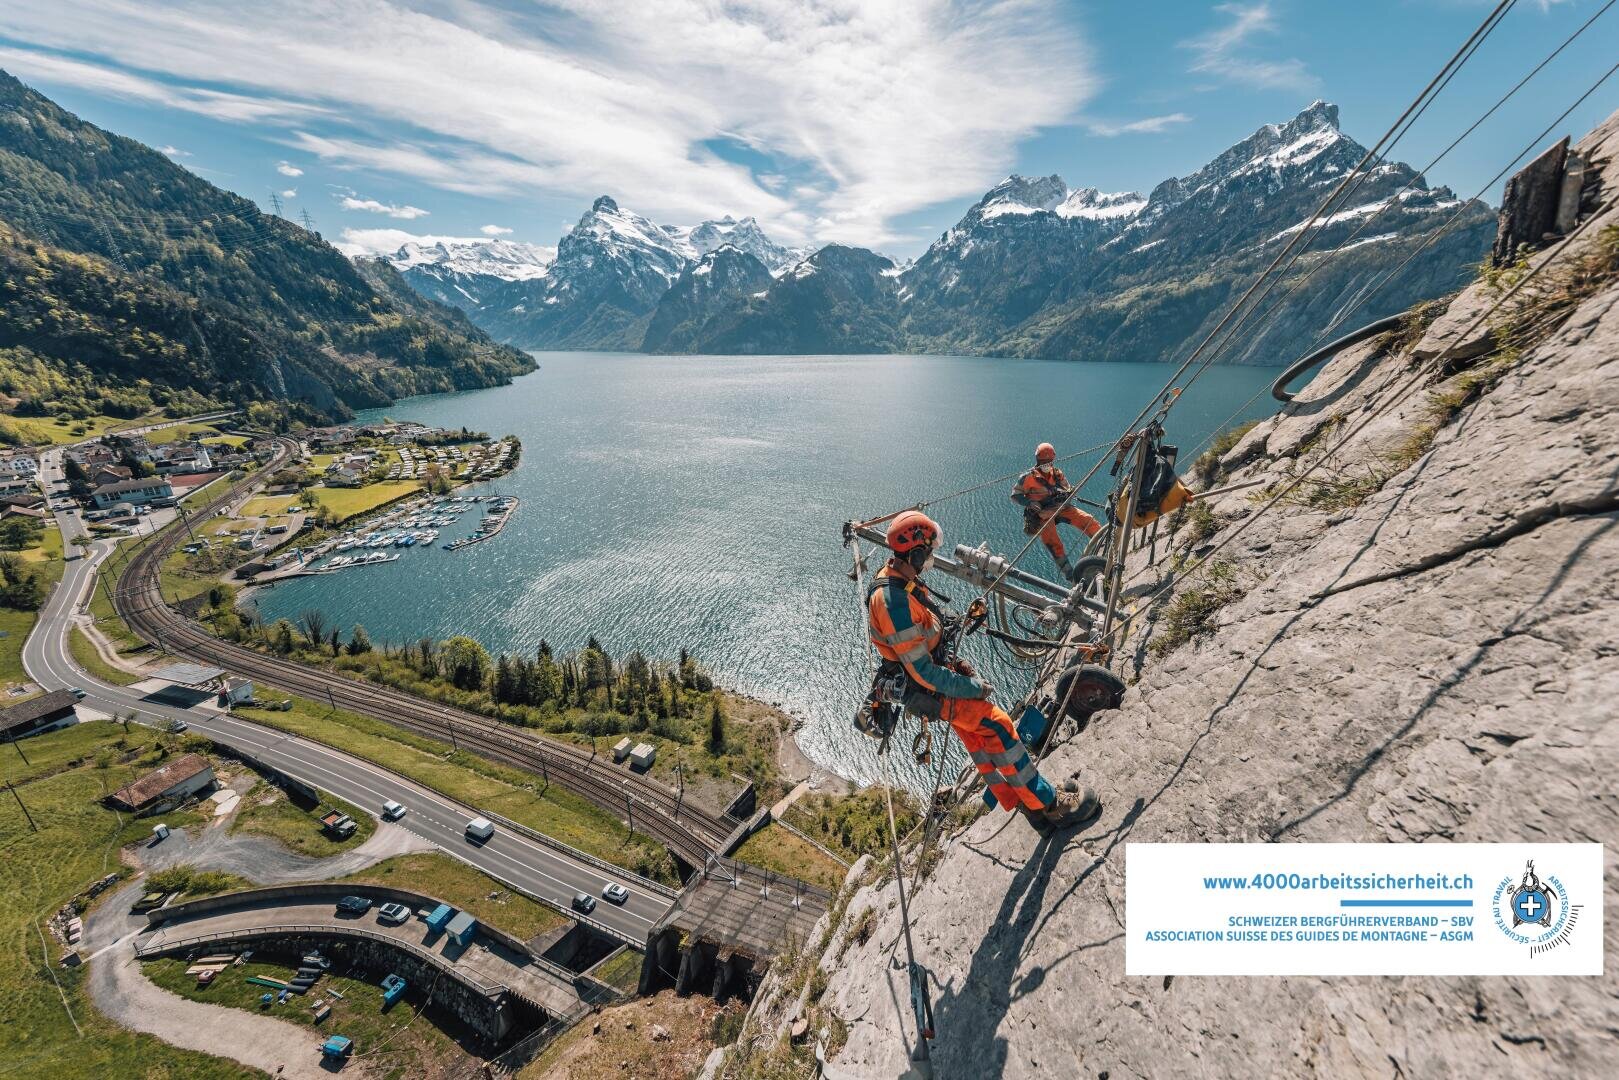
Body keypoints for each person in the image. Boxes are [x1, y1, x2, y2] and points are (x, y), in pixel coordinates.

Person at [865, 510, 1099, 830]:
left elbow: (928, 627)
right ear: (916, 552)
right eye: (929, 551)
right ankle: (1050, 804)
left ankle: (1018, 800)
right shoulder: (892, 601)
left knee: (978, 739)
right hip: (931, 688)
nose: (932, 556)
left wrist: (954, 643)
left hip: (935, 680)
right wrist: (973, 688)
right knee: (999, 727)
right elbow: (923, 672)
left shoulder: (899, 579)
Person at [1012, 442, 1100, 581]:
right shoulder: (1027, 478)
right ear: (1038, 461)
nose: (1047, 464)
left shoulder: (1057, 474)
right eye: (1043, 461)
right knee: (1053, 542)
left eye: (1049, 461)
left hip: (1059, 507)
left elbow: (1068, 489)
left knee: (1087, 520)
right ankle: (1070, 574)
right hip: (1041, 514)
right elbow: (1015, 495)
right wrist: (1029, 503)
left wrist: (1066, 496)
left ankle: (1102, 544)